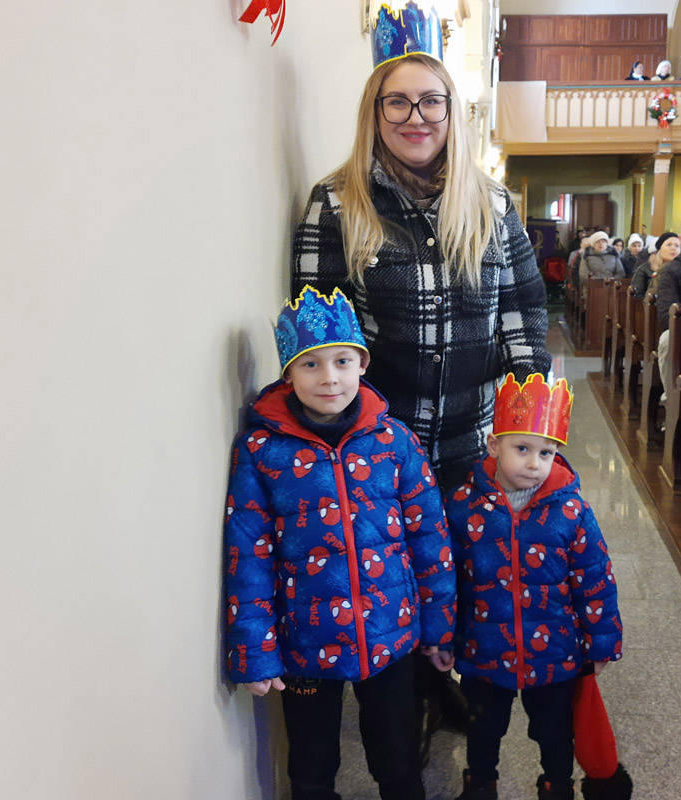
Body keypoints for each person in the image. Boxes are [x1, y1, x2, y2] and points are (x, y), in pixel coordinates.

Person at [292, 20, 551, 764]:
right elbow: (320, 323)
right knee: (395, 574)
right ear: (374, 113)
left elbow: (523, 311)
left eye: (430, 102)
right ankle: (404, 708)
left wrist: (531, 426)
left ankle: (446, 680)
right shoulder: (335, 202)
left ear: (450, 112)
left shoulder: (491, 203)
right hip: (381, 441)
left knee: (463, 566)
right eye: (397, 103)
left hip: (471, 432)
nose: (416, 117)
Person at [224, 286, 457, 800]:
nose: (329, 377)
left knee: (399, 762)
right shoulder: (261, 451)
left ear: (362, 365)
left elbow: (430, 539)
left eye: (343, 361)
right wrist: (256, 651)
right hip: (305, 642)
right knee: (310, 769)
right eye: (311, 365)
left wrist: (439, 629)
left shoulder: (395, 441)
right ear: (288, 373)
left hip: (390, 634)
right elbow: (248, 555)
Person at [446, 373, 622, 800]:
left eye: (546, 452)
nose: (533, 463)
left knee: (554, 730)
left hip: (556, 652)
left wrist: (601, 644)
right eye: (521, 449)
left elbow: (595, 579)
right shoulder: (463, 506)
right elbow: (447, 581)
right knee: (483, 727)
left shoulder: (572, 510)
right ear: (493, 445)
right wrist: (442, 638)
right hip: (485, 650)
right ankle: (480, 783)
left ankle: (557, 784)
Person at [630, 231, 679, 296]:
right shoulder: (644, 269)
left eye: (677, 245)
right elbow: (636, 296)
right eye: (669, 245)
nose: (673, 248)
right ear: (660, 249)